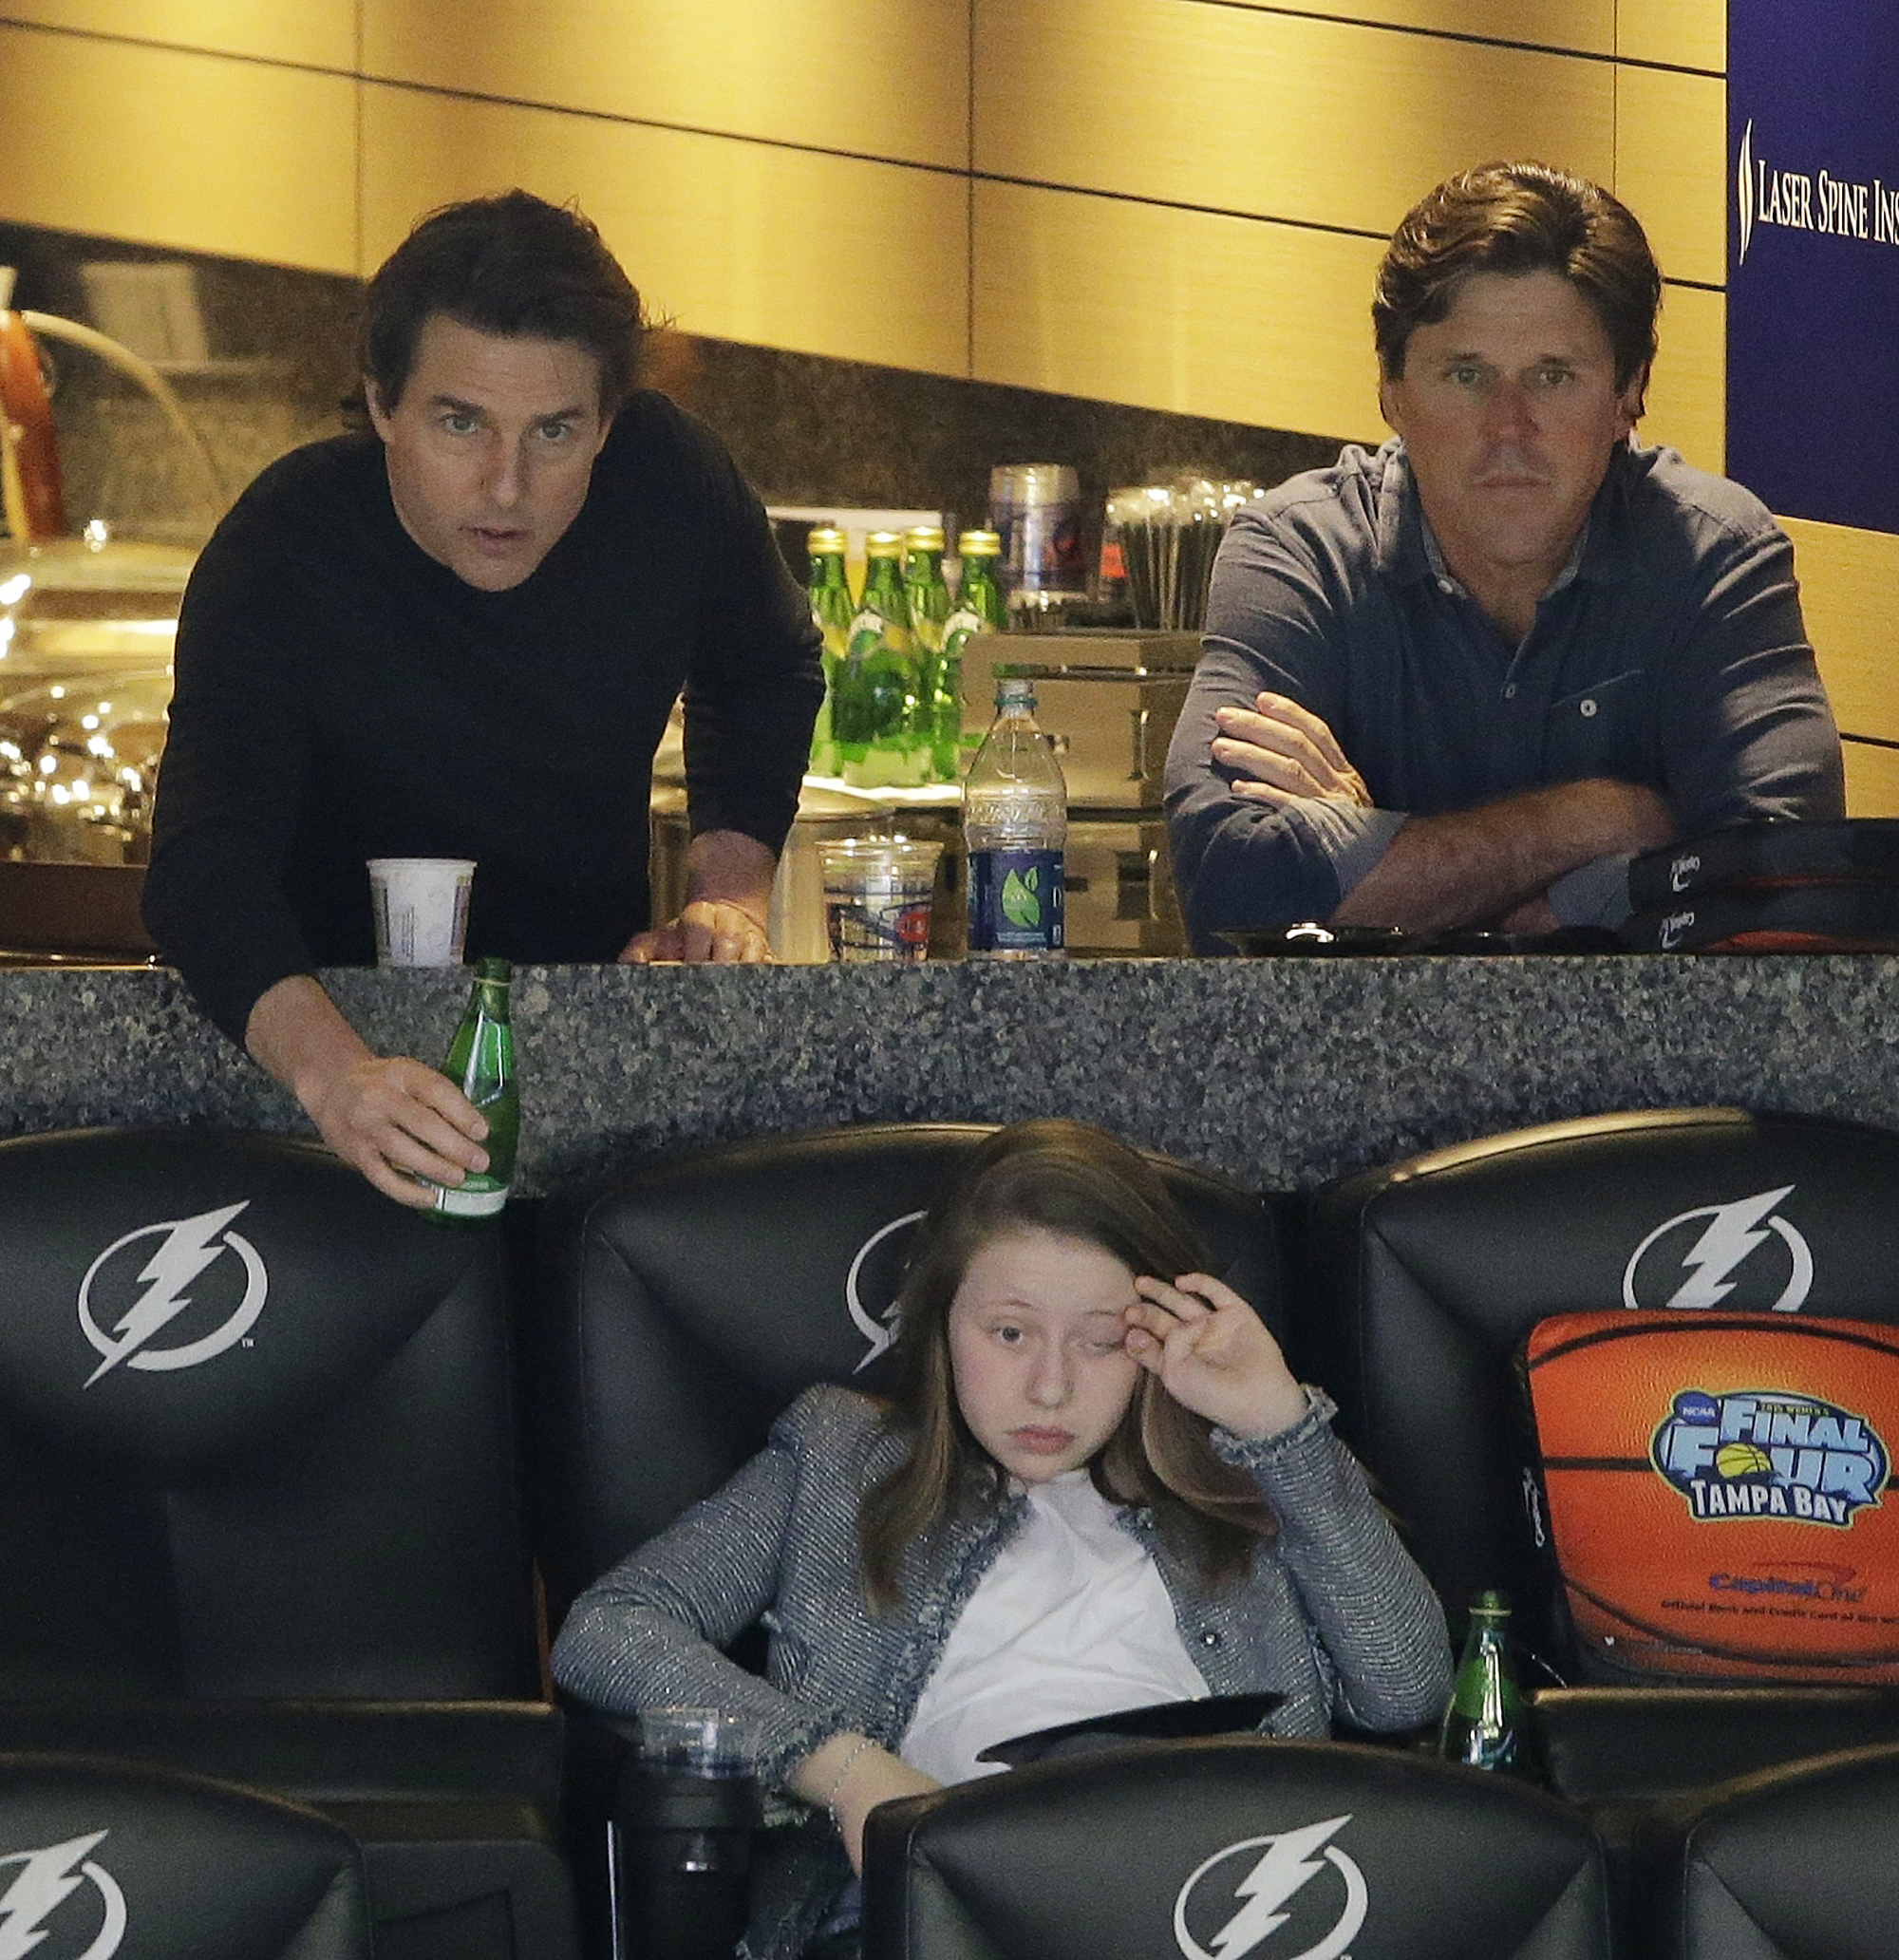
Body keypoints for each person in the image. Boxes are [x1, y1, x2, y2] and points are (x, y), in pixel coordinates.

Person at [551, 1119, 1451, 1960]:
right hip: (946, 1909)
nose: (1049, 1388)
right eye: (1010, 1333)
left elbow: (1406, 1689)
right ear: (941, 1326)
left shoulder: (1245, 1480)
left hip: (1223, 1904)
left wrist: (1279, 1425)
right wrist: (845, 1772)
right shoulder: (840, 1457)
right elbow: (608, 1630)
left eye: (1100, 1343)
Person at [143, 191, 822, 1206]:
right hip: (317, 1066)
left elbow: (766, 671)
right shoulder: (287, 546)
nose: (506, 486)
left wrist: (722, 896)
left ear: (607, 423)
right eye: (460, 424)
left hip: (588, 1049)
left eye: (553, 432)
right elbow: (203, 872)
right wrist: (336, 1079)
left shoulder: (669, 484)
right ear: (381, 404)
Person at [1163, 160, 1844, 952]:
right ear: (1391, 391)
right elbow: (1231, 877)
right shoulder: (1297, 553)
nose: (1508, 427)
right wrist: (1597, 822)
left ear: (1629, 393)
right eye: (1466, 375)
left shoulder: (1714, 556)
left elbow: (1777, 885)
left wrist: (1376, 857)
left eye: (1552, 376)